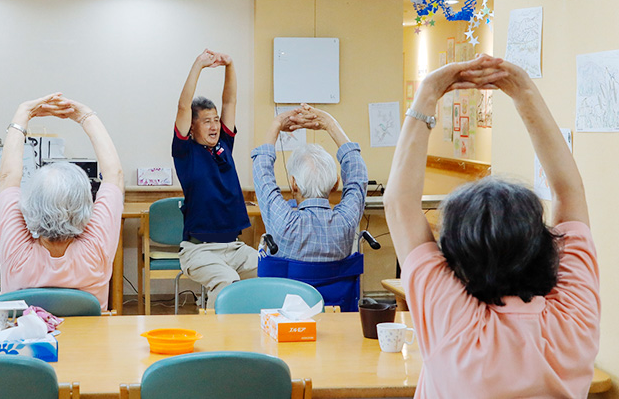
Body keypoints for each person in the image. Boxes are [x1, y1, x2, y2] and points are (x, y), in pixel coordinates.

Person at [383, 55, 599, 397]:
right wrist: (524, 91)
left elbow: (398, 204)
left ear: (454, 261)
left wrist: (428, 93)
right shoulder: (574, 321)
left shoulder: (454, 324)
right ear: (543, 245)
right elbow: (569, 191)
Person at [0, 93, 124, 311]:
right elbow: (114, 174)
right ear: (86, 207)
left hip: (27, 345)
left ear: (29, 207)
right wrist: (85, 117)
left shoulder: (15, 254)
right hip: (87, 345)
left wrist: (22, 114)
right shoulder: (95, 251)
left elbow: (8, 177)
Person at [172, 50, 256, 308]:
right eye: (206, 121)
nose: (214, 126)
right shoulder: (186, 152)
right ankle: (217, 343)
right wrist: (198, 64)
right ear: (192, 126)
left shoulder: (224, 146)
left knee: (274, 270)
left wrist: (230, 64)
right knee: (227, 281)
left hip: (235, 248)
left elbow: (229, 101)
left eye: (216, 120)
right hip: (199, 251)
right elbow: (183, 106)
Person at [251, 104, 367, 261]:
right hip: (335, 287)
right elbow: (357, 174)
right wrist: (330, 124)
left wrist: (276, 124)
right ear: (336, 183)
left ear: (293, 184)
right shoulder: (345, 222)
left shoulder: (283, 222)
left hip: (288, 286)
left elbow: (262, 172)